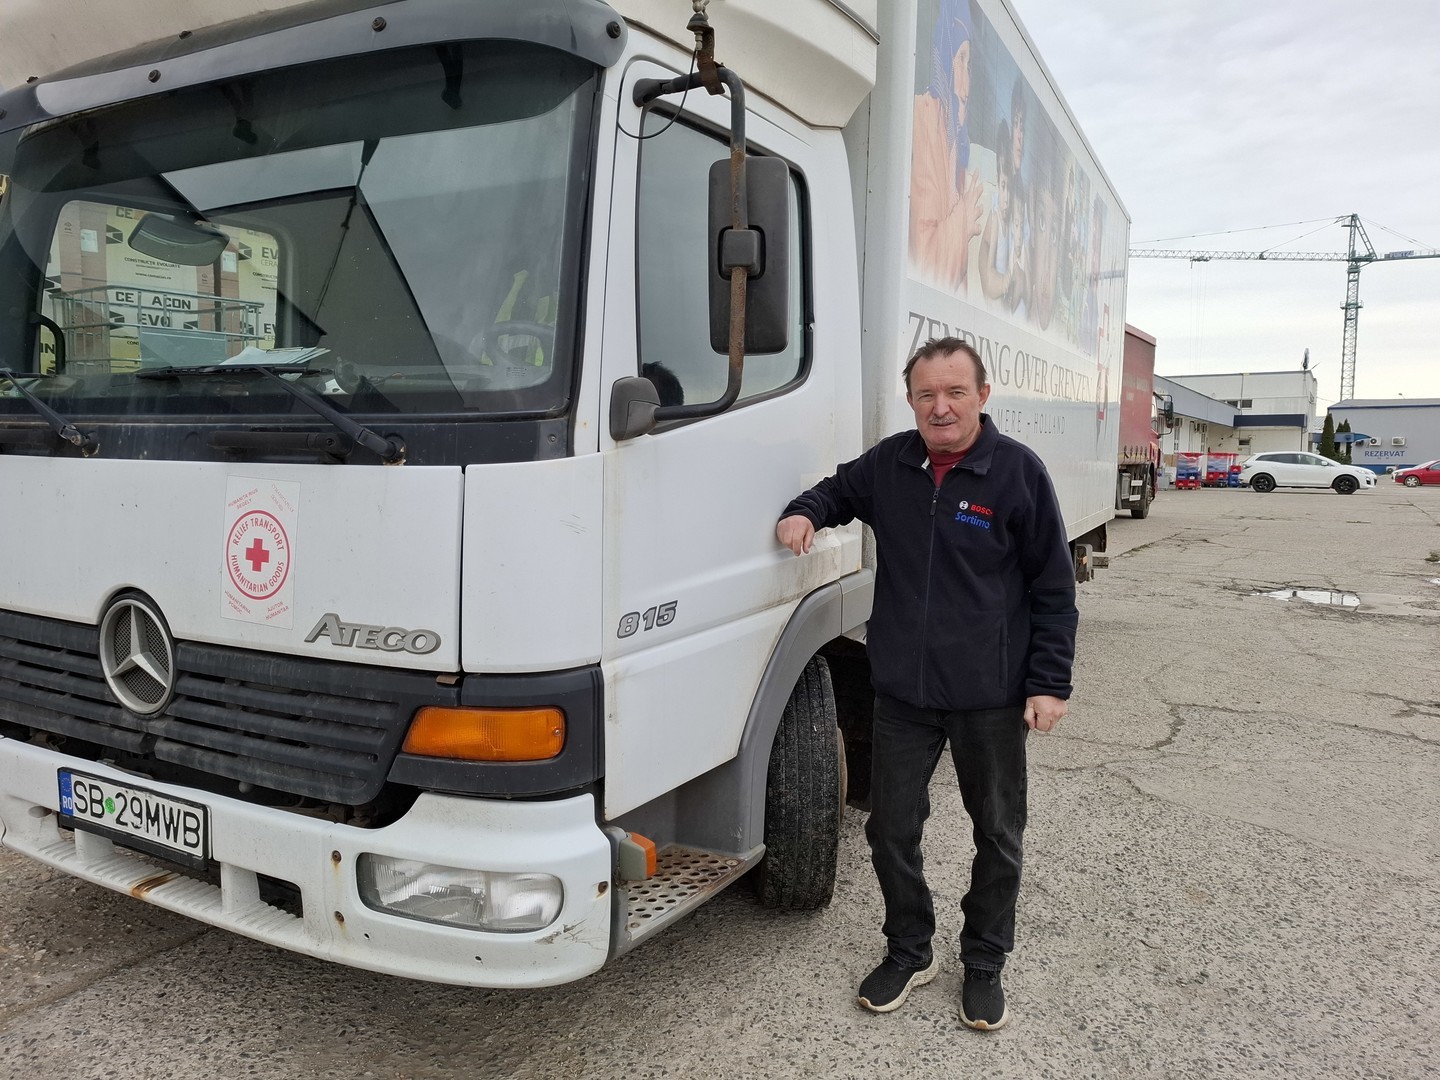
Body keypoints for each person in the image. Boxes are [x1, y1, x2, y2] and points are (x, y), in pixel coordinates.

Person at [775, 337, 1077, 1031]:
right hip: (905, 695)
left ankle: (984, 961)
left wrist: (1049, 683)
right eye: (926, 395)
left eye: (955, 393)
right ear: (911, 400)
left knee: (997, 834)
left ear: (982, 396)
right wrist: (804, 513)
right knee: (890, 830)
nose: (940, 407)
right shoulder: (892, 464)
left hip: (991, 695)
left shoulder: (1017, 474)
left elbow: (1053, 588)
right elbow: (834, 491)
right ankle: (910, 950)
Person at [908, 0, 984, 294]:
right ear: (944, 57)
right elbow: (927, 267)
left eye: (970, 64)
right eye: (961, 59)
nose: (966, 84)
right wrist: (963, 217)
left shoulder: (954, 144)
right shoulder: (925, 119)